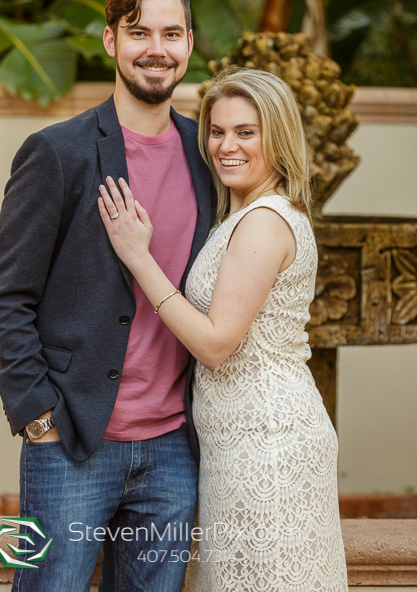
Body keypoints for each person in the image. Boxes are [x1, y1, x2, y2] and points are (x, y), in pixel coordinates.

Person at [0, 0, 212, 592]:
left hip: (173, 448)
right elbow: (6, 298)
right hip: (71, 444)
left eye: (171, 33)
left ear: (189, 44)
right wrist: (39, 419)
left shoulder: (207, 154)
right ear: (110, 40)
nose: (155, 49)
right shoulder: (58, 152)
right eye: (139, 32)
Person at [98, 68, 349, 591]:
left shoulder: (265, 220)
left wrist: (138, 258)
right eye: (216, 131)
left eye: (246, 132)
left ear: (277, 138)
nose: (226, 146)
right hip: (233, 443)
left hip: (269, 443)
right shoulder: (236, 217)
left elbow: (214, 344)